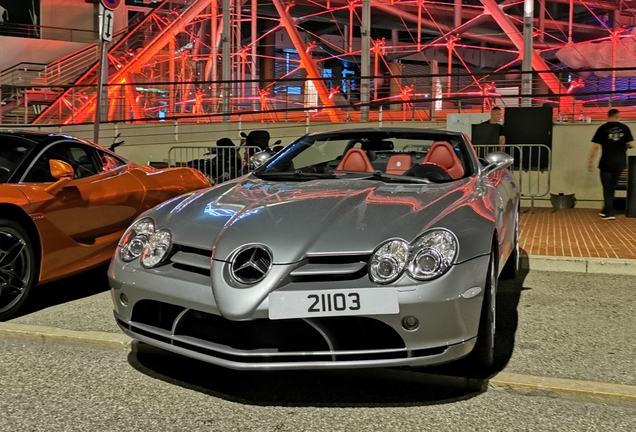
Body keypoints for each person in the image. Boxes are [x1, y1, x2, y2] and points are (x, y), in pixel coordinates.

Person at [588, 108, 635, 220]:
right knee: (612, 186)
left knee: (607, 187)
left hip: (606, 162)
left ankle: (609, 212)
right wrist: (623, 146)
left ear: (607, 116)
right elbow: (632, 145)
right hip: (620, 163)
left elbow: (595, 147)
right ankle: (606, 209)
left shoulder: (602, 128)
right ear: (618, 116)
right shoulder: (624, 128)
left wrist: (590, 160)